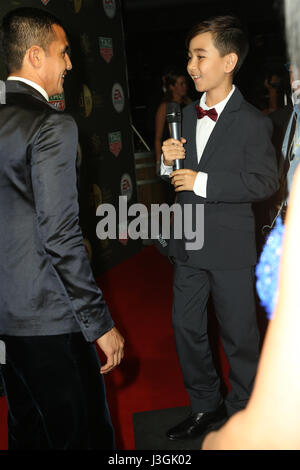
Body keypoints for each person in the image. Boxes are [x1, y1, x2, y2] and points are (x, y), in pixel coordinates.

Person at [0, 7, 124, 450]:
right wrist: (100, 324)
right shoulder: (52, 125)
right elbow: (61, 236)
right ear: (36, 56)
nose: (70, 64)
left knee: (28, 430)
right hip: (49, 319)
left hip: (6, 321)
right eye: (63, 53)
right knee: (84, 438)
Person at [160, 15, 279, 440]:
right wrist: (167, 161)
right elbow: (178, 176)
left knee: (239, 336)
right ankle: (204, 406)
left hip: (230, 250)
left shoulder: (253, 121)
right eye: (190, 56)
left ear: (228, 61)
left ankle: (245, 410)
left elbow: (266, 182)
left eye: (200, 55)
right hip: (188, 243)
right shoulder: (186, 115)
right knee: (186, 329)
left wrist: (202, 181)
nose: (191, 65)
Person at [202, 0, 300, 449]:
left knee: (241, 335)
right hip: (208, 241)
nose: (288, 80)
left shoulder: (258, 121)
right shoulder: (289, 120)